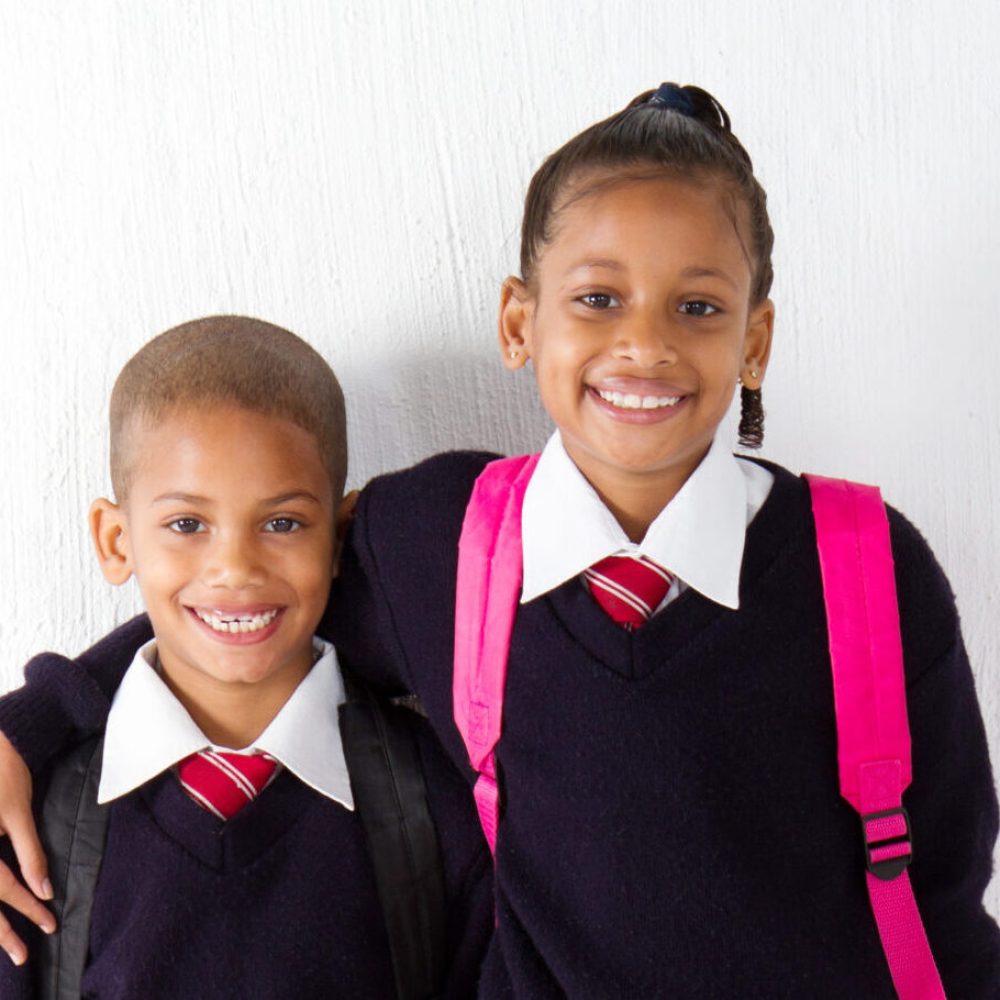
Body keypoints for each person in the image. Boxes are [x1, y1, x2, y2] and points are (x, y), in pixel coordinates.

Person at [0, 84, 998, 996]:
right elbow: (244, 598)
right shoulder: (435, 539)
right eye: (596, 298)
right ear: (520, 323)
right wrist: (33, 723)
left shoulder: (864, 565)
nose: (643, 342)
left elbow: (945, 876)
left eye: (696, 306)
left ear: (754, 341)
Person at [0, 316, 491, 998]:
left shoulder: (439, 813)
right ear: (116, 541)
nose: (234, 567)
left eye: (282, 523)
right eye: (187, 524)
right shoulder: (29, 829)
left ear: (341, 539)